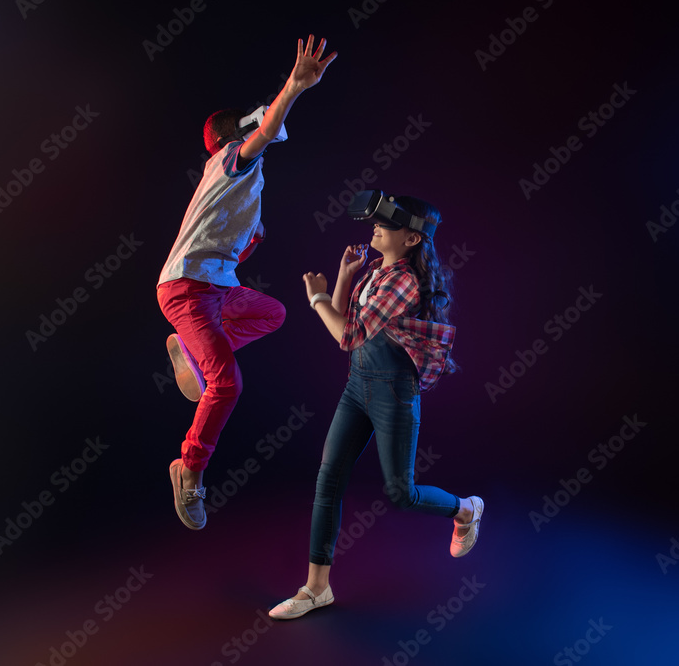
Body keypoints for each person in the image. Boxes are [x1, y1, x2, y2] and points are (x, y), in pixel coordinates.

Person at [269, 194, 483, 620]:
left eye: (385, 224)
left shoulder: (403, 281)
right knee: (328, 479)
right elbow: (351, 324)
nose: (375, 228)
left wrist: (316, 299)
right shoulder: (377, 271)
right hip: (357, 386)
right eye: (376, 222)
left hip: (393, 392)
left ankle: (466, 509)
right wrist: (344, 278)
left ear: (411, 239)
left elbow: (346, 339)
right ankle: (316, 589)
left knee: (400, 493)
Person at [157, 35, 337, 530]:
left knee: (271, 312)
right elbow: (263, 130)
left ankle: (188, 354)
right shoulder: (233, 160)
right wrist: (295, 86)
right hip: (188, 289)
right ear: (236, 136)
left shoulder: (236, 180)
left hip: (214, 286)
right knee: (227, 383)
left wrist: (250, 238)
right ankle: (189, 469)